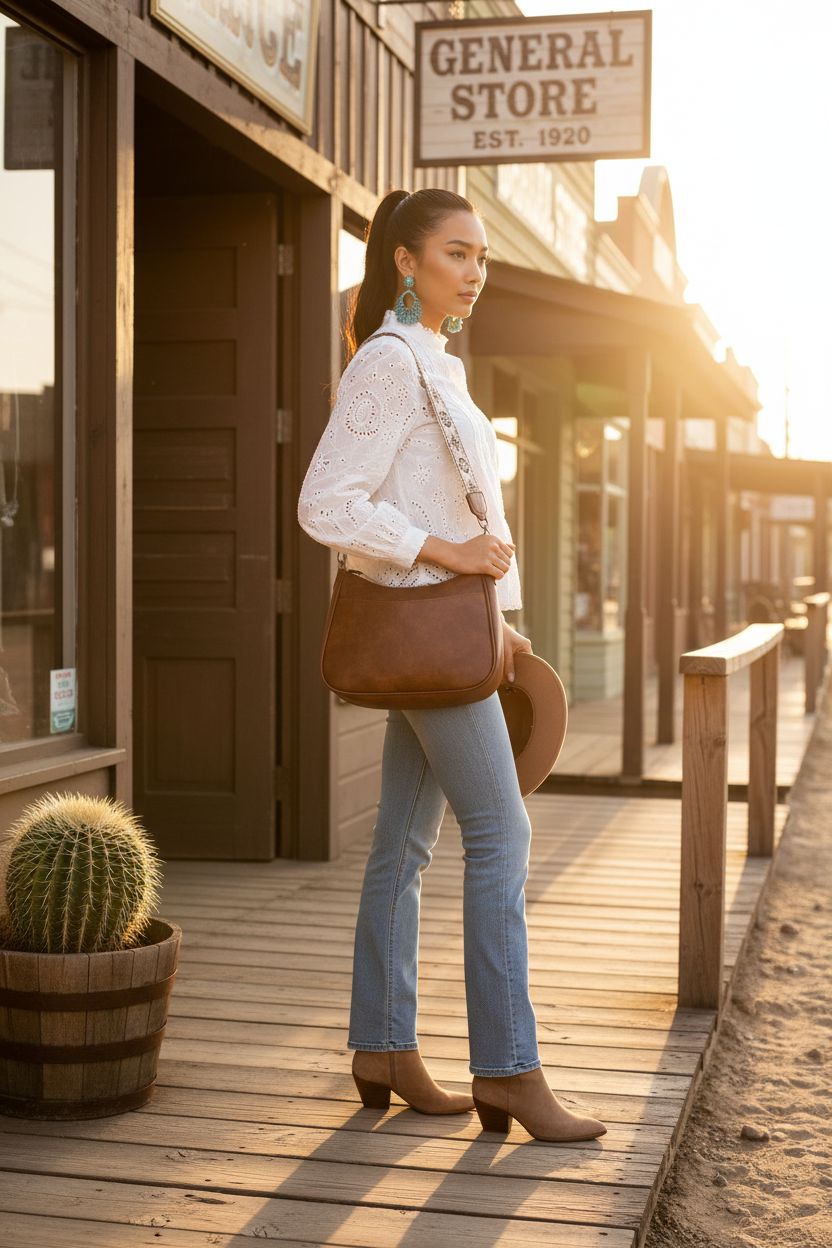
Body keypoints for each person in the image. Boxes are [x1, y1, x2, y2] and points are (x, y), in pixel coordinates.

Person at [297, 187, 607, 1142]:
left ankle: (383, 1046)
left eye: (482, 257)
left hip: (449, 639)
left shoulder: (438, 362)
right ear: (405, 260)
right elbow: (325, 504)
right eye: (456, 254)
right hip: (417, 625)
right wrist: (445, 553)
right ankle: (509, 1069)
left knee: (403, 844)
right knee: (502, 836)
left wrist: (499, 622)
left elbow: (483, 517)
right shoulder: (389, 365)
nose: (474, 271)